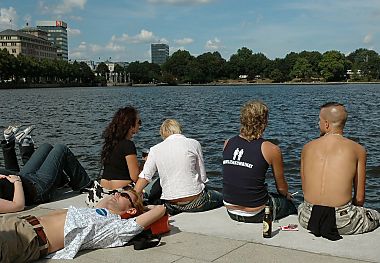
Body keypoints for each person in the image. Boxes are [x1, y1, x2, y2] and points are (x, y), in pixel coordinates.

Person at [0, 189, 166, 262]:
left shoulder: (116, 228)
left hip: (26, 239)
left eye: (123, 195)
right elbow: (103, 202)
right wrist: (119, 199)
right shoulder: (98, 211)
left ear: (130, 211)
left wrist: (143, 208)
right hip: (17, 221)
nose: (116, 194)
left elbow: (160, 209)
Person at [298, 102, 380, 239]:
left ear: (326, 124)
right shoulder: (358, 149)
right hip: (342, 221)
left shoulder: (307, 148)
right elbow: (359, 199)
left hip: (308, 217)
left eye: (319, 120)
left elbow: (305, 190)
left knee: (301, 206)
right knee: (375, 215)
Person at [223, 100, 297, 223]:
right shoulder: (271, 149)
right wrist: (286, 196)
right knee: (289, 205)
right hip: (256, 212)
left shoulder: (227, 143)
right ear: (264, 122)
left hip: (230, 209)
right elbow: (281, 188)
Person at [134, 119, 223, 215]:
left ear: (163, 133)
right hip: (196, 202)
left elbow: (145, 176)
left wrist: (133, 196)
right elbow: (203, 178)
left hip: (171, 204)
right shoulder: (194, 143)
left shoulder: (155, 149)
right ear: (179, 129)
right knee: (220, 197)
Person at [0, 125, 92, 213]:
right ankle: (84, 185)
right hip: (37, 190)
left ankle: (60, 182)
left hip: (26, 177)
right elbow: (18, 206)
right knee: (62, 149)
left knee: (46, 147)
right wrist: (17, 182)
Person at [85, 106, 144, 207]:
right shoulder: (128, 145)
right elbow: (135, 177)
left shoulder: (110, 143)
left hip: (99, 195)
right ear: (131, 125)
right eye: (139, 122)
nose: (140, 125)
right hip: (119, 195)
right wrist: (145, 163)